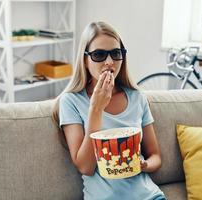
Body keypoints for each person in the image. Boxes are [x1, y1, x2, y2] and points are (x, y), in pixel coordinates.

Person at [52, 21, 167, 200]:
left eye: (115, 53)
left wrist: (143, 164)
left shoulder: (137, 97)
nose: (109, 62)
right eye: (99, 55)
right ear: (85, 60)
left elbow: (156, 156)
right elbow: (85, 167)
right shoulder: (71, 101)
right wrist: (96, 109)